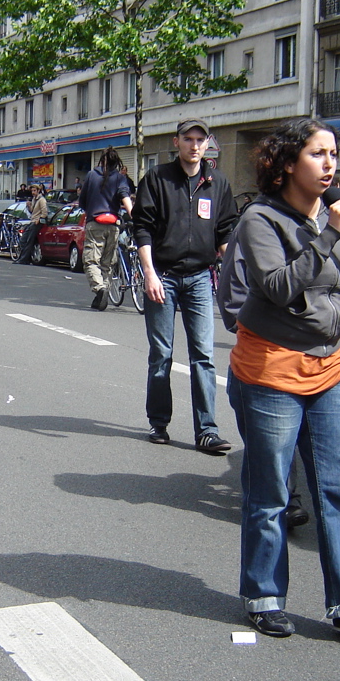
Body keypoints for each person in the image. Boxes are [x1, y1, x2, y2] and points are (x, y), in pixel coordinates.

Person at [226, 117, 340, 640]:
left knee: (338, 491)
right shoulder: (260, 219)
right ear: (289, 163)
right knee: (270, 491)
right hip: (274, 368)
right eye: (318, 154)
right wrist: (329, 235)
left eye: (334, 155)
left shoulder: (334, 220)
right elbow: (275, 286)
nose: (330, 165)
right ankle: (264, 594)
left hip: (333, 367)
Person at [133, 118, 236, 453]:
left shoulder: (217, 182)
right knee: (162, 353)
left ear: (208, 144)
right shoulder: (157, 179)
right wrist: (149, 273)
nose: (194, 145)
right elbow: (143, 229)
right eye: (188, 139)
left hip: (199, 278)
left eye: (200, 140)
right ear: (176, 142)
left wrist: (237, 271)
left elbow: (225, 232)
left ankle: (207, 430)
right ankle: (159, 422)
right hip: (162, 274)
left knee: (203, 355)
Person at [79, 146, 133, 309]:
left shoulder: (91, 175)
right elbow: (125, 196)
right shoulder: (119, 178)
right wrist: (133, 214)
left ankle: (100, 289)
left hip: (95, 223)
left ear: (102, 160)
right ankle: (103, 296)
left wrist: (90, 209)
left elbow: (82, 201)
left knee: (91, 261)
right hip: (114, 225)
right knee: (107, 263)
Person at [14, 183, 48, 265]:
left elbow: (45, 212)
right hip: (32, 221)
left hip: (36, 222)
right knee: (23, 239)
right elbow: (33, 211)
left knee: (29, 240)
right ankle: (23, 258)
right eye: (32, 191)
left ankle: (24, 259)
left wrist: (39, 219)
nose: (33, 192)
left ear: (38, 191)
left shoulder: (41, 200)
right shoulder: (34, 199)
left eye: (34, 191)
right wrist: (29, 206)